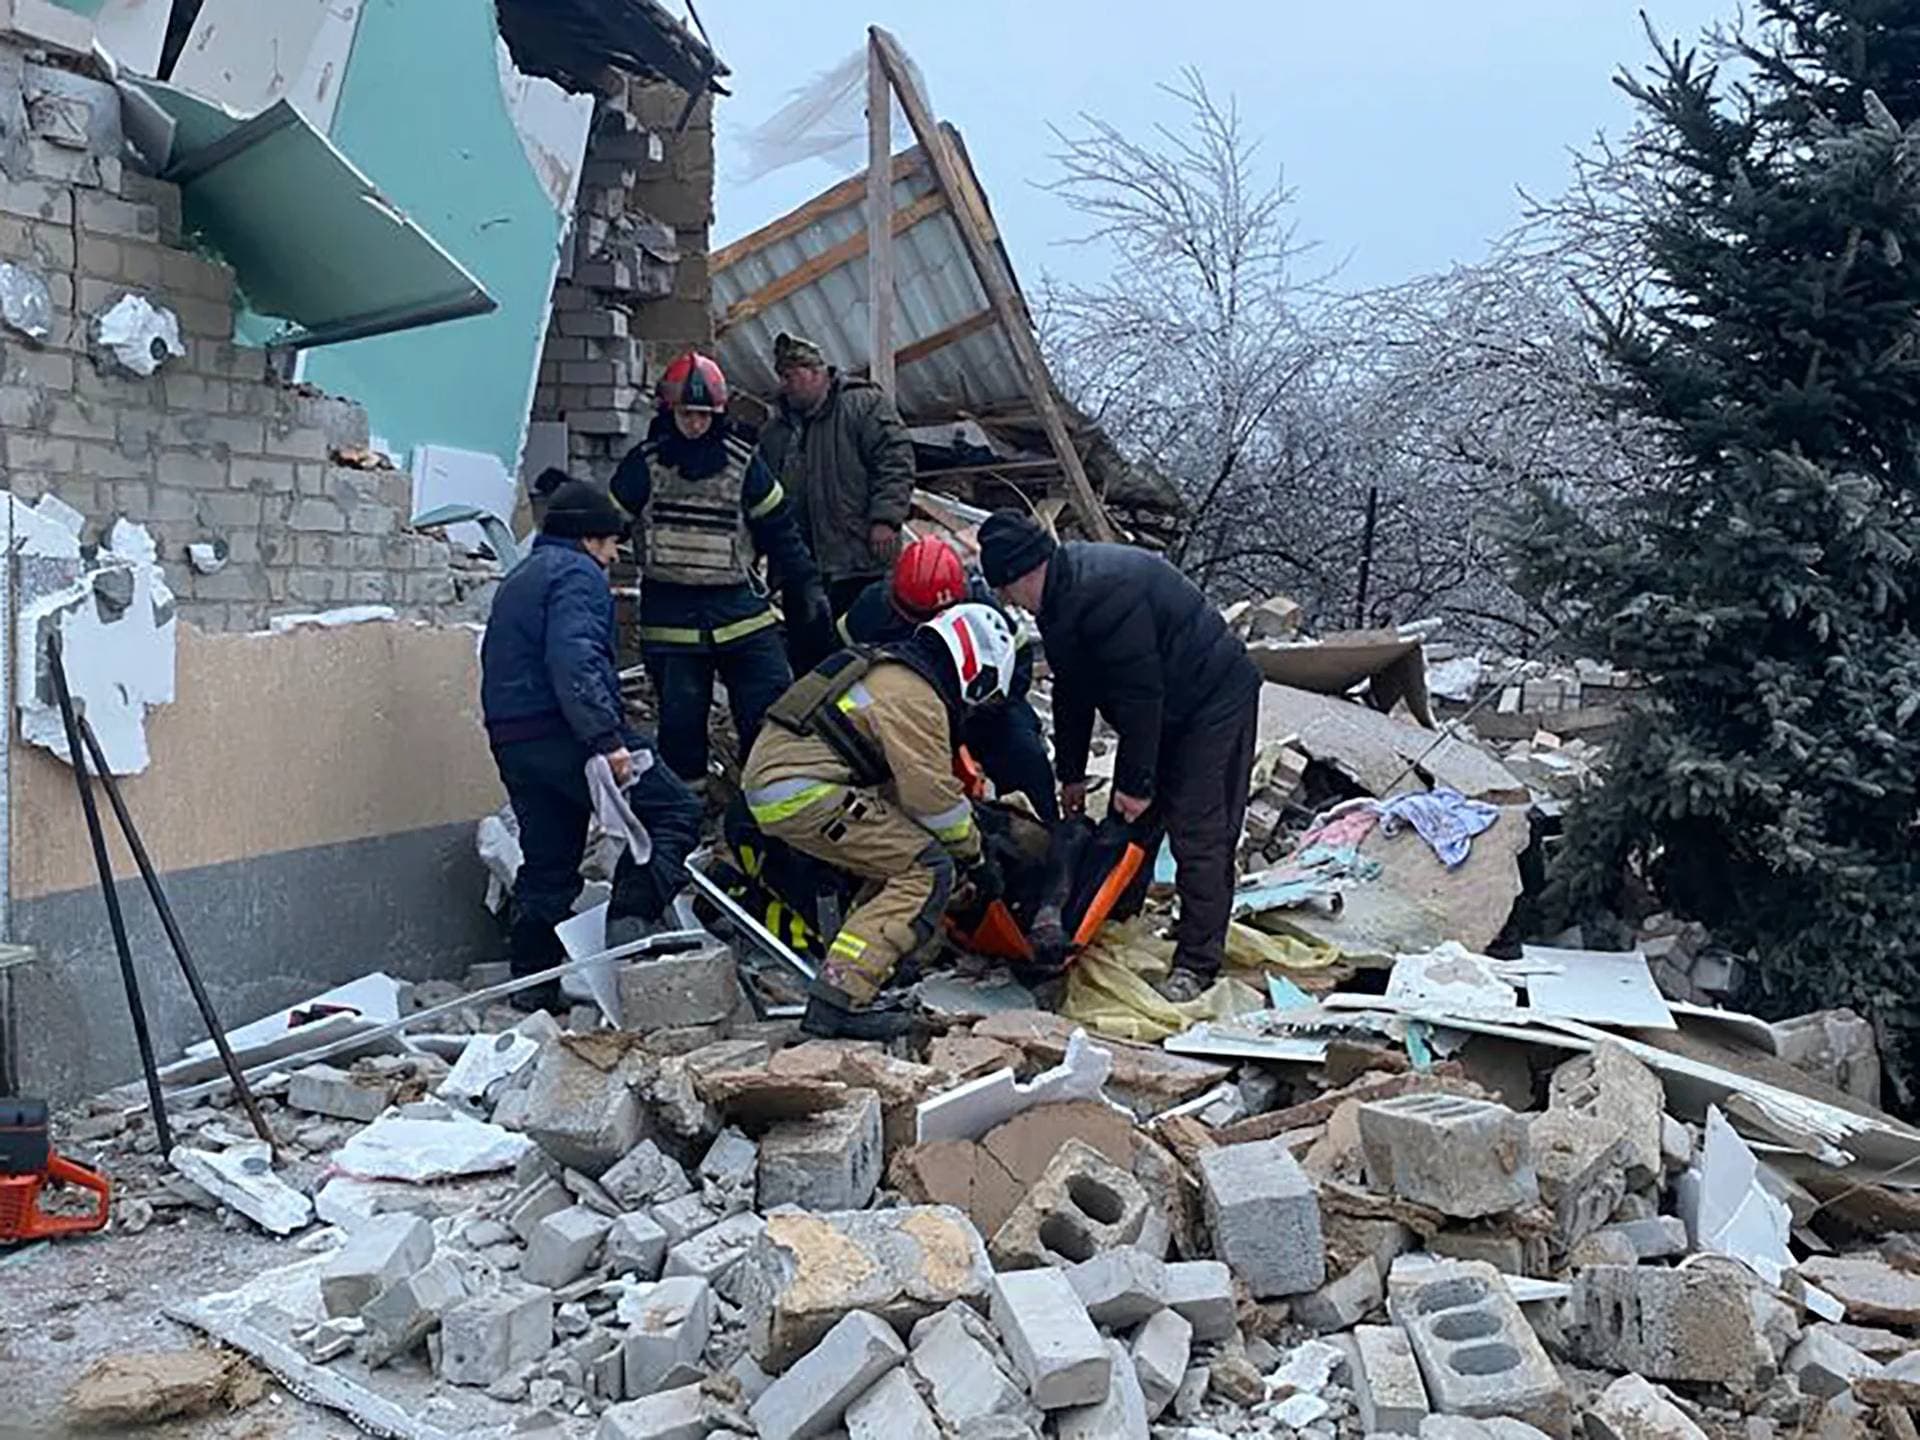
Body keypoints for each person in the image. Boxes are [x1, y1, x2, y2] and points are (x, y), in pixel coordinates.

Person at [979, 510, 1262, 989]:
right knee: (1130, 824)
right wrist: (1070, 774)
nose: (1012, 604)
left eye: (1008, 591)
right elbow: (1072, 690)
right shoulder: (1056, 600)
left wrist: (1136, 782)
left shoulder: (1106, 592)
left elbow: (1139, 695)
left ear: (1027, 571)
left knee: (1197, 828)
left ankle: (1196, 963)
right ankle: (1114, 918)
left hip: (1212, 700)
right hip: (1161, 706)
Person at [739, 602, 1019, 1039]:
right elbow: (932, 801)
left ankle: (870, 968)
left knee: (894, 854)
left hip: (782, 782)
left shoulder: (888, 670)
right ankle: (840, 999)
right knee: (924, 869)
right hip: (802, 790)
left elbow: (901, 793)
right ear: (976, 668)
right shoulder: (918, 698)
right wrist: (978, 857)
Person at [480, 473, 703, 1010]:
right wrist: (606, 739)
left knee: (548, 861)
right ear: (590, 539)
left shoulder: (524, 574)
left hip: (514, 737)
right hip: (568, 732)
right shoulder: (577, 576)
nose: (613, 554)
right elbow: (574, 659)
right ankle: (628, 928)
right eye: (610, 542)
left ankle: (532, 988)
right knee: (674, 811)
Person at [611, 352, 826, 786]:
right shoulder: (644, 465)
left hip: (740, 618)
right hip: (672, 623)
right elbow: (604, 528)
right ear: (670, 411)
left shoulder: (744, 464)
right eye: (687, 414)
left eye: (703, 415)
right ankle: (685, 827)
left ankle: (767, 809)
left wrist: (806, 584)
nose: (694, 424)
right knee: (680, 733)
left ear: (718, 413)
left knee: (768, 719)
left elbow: (780, 530)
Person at [838, 535, 1059, 824]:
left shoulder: (985, 608)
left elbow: (1017, 672)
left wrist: (977, 714)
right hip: (903, 716)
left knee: (1024, 752)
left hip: (978, 709)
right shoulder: (870, 612)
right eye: (918, 619)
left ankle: (1048, 828)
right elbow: (844, 671)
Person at [754, 331, 915, 629]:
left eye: (791, 375)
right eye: (782, 376)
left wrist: (886, 518)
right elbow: (761, 491)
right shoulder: (775, 431)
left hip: (859, 561)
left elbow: (895, 461)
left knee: (865, 645)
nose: (784, 385)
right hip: (800, 567)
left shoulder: (863, 405)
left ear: (816, 373)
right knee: (811, 655)